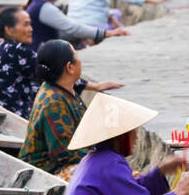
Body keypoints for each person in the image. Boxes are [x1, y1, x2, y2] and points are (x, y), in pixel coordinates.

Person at [21, 39, 122, 176]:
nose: (80, 61)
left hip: (67, 161)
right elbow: (64, 153)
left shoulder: (62, 88)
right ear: (70, 67)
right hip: (46, 170)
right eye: (77, 57)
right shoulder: (54, 101)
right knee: (106, 175)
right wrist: (104, 159)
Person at [0, 7, 41, 118]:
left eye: (30, 24)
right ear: (9, 30)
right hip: (12, 113)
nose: (31, 29)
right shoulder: (20, 51)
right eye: (26, 25)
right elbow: (53, 74)